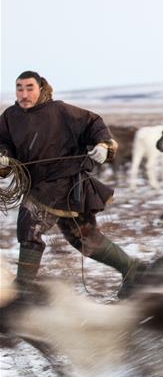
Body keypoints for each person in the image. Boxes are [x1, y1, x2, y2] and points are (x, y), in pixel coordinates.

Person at [0, 70, 145, 295]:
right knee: (84, 238)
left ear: (41, 88)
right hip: (38, 183)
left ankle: (22, 292)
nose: (24, 93)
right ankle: (133, 269)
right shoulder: (10, 116)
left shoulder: (61, 111)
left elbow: (93, 123)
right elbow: (4, 143)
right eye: (19, 88)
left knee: (30, 225)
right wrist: (3, 157)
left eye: (30, 88)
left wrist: (103, 145)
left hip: (66, 183)